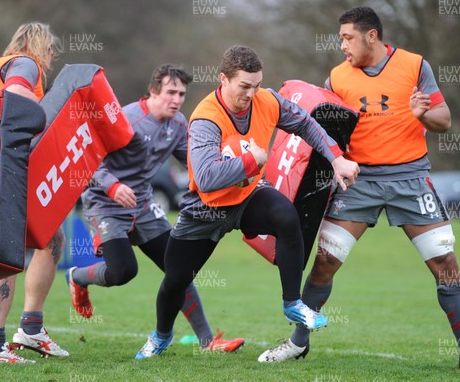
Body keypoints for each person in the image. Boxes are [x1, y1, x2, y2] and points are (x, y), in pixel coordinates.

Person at [258, 6, 460, 374]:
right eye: (340, 37)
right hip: (359, 182)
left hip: (410, 180)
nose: (342, 45)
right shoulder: (337, 77)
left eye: (347, 38)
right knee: (325, 263)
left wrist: (422, 114)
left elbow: (444, 119)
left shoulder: (415, 66)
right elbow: (322, 124)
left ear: (371, 36)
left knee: (447, 265)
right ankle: (297, 343)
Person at [135, 46, 360, 359]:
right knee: (176, 281)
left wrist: (336, 158)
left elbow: (305, 124)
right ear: (223, 79)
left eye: (256, 85)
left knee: (286, 216)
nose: (251, 94)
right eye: (244, 86)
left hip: (249, 195)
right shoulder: (205, 118)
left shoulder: (266, 99)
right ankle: (160, 336)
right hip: (207, 208)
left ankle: (292, 303)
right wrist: (250, 161)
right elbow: (207, 178)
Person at [66, 64, 245, 353]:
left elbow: (195, 164)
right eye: (170, 92)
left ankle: (207, 341)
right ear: (153, 91)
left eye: (181, 94)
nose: (176, 100)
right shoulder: (126, 119)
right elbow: (88, 158)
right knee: (122, 272)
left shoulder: (178, 125)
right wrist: (113, 186)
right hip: (106, 205)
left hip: (144, 206)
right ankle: (76, 277)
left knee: (179, 270)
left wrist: (233, 172)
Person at [0, 22, 68, 364]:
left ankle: (29, 329)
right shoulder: (24, 65)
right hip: (3, 170)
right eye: (50, 48)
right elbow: (17, 95)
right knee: (9, 249)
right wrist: (51, 121)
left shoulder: (0, 64)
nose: (52, 56)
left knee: (50, 237)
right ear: (38, 45)